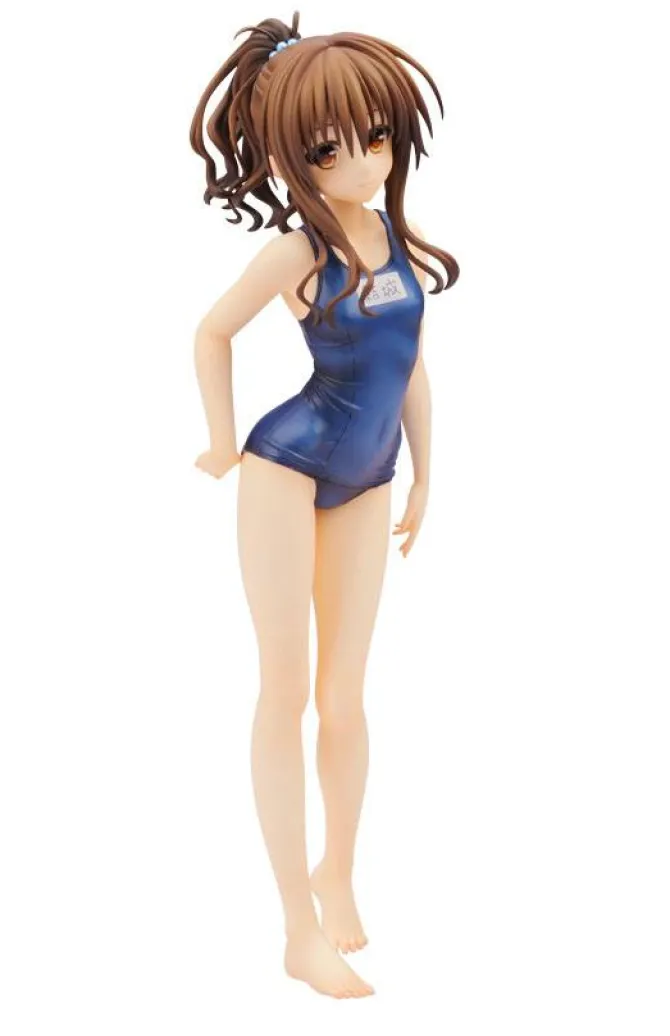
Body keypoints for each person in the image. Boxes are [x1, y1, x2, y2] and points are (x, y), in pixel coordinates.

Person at [190, 11, 459, 999]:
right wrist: (222, 440)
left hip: (369, 477)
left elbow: (410, 367)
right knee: (286, 689)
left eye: (376, 137)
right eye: (327, 148)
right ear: (290, 159)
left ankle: (335, 869)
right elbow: (211, 331)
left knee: (347, 696)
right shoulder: (296, 251)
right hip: (288, 465)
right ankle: (296, 930)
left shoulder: (392, 237)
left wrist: (427, 472)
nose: (362, 161)